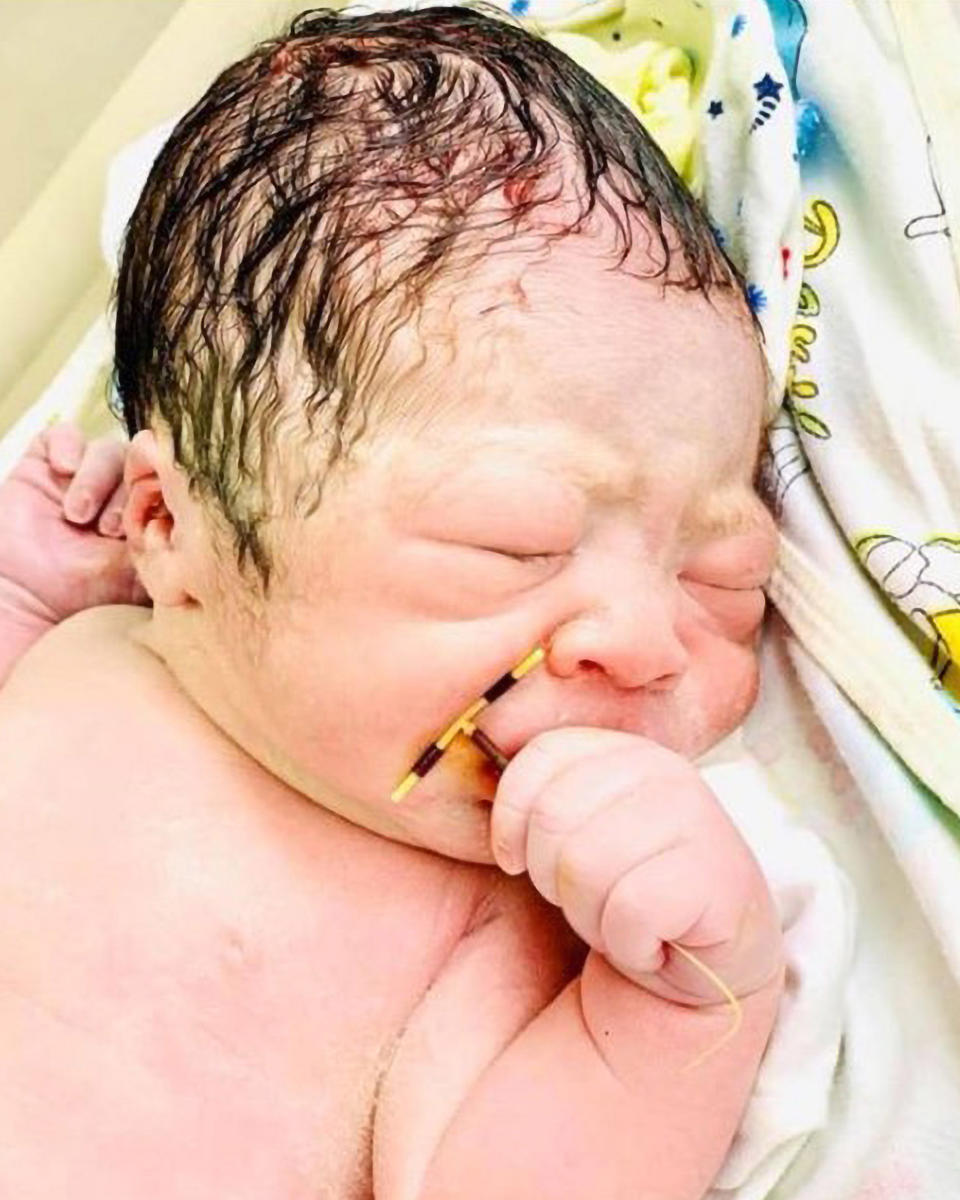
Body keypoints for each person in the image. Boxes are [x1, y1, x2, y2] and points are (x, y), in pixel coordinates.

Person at [0, 8, 787, 1197]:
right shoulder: (94, 647)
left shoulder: (490, 900)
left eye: (720, 580)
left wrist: (677, 1011)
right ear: (170, 525)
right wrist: (29, 593)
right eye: (512, 544)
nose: (640, 639)